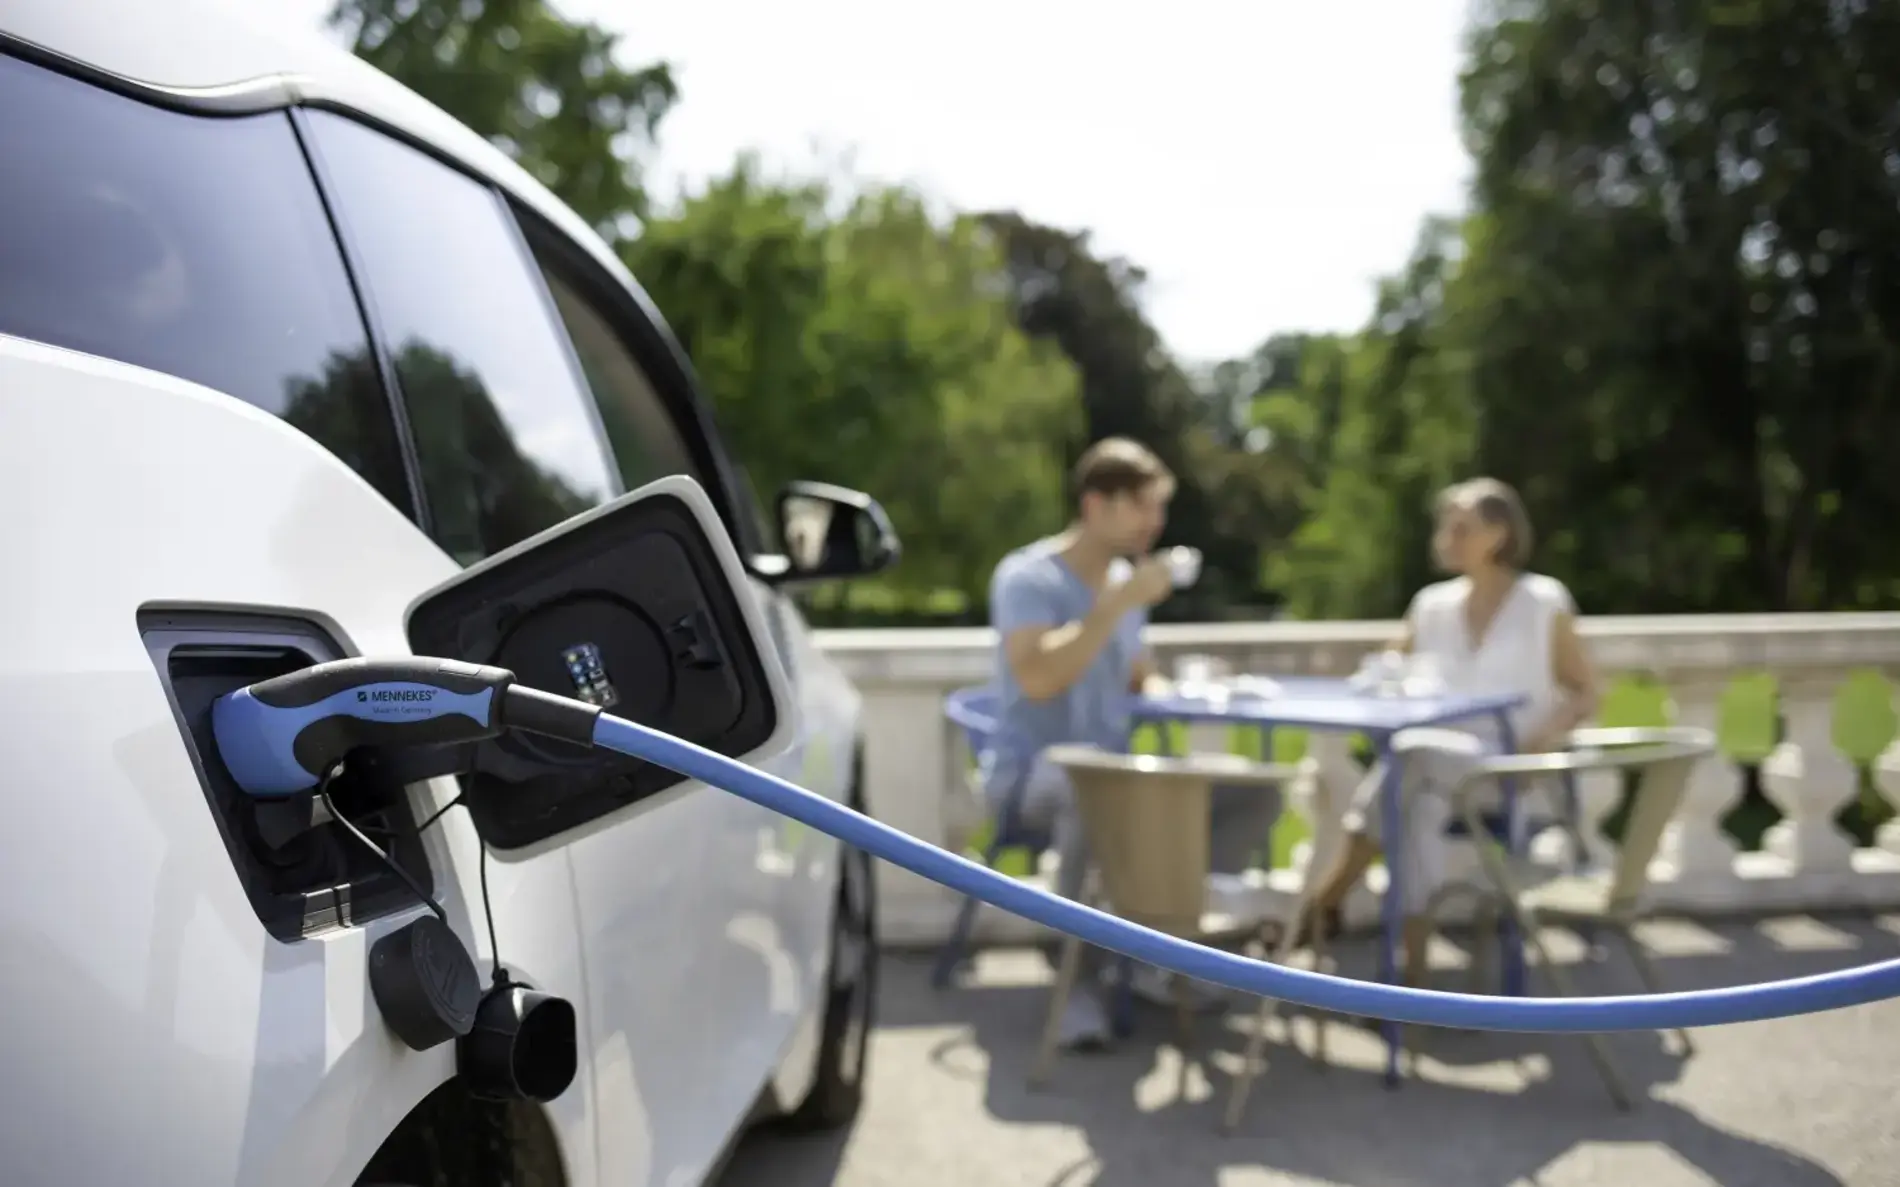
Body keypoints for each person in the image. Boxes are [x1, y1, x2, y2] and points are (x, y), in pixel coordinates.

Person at [981, 436, 1281, 1049]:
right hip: (1030, 777)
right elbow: (1038, 679)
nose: (1157, 523)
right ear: (1098, 504)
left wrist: (1198, 685)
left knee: (1253, 796)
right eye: (1144, 506)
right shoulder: (1027, 578)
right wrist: (1117, 604)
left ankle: (1162, 948)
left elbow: (1141, 677)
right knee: (1084, 785)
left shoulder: (1126, 584)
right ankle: (1078, 986)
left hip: (1116, 768)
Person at [1295, 476, 1602, 989]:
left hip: (1510, 771)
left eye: (1461, 528)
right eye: (1445, 526)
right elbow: (1387, 668)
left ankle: (1323, 907)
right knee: (1416, 806)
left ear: (1499, 534)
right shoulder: (1431, 606)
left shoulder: (1543, 602)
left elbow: (1585, 693)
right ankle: (1410, 983)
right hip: (1435, 770)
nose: (1446, 537)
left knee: (1409, 767)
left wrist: (1535, 748)